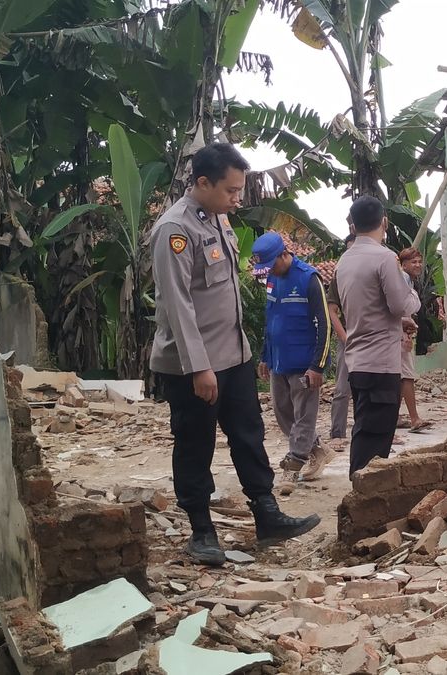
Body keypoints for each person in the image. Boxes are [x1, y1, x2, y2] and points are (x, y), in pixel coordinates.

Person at [148, 142, 319, 566]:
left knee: (248, 434)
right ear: (203, 183)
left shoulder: (218, 219)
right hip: (194, 364)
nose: (237, 198)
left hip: (233, 356)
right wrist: (200, 368)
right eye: (231, 190)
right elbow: (178, 304)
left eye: (240, 189)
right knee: (195, 443)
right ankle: (202, 530)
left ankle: (267, 513)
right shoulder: (175, 230)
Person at [335, 196, 420, 475]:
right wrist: (413, 300)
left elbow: (370, 307)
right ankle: (361, 497)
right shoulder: (384, 258)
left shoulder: (345, 260)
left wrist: (400, 321)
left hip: (358, 360)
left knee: (364, 429)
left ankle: (360, 491)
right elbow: (399, 304)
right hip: (380, 363)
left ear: (352, 225)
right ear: (384, 222)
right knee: (374, 441)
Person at [252, 232, 336, 493]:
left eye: (271, 265)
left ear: (283, 254)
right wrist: (265, 356)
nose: (269, 271)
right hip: (279, 360)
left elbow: (325, 324)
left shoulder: (309, 279)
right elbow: (271, 321)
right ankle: (317, 449)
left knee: (304, 416)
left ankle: (293, 465)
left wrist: (318, 365)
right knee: (283, 413)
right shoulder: (272, 280)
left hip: (304, 363)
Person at [397, 247, 431, 433]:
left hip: (403, 332)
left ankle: (394, 416)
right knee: (407, 376)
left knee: (402, 377)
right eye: (413, 262)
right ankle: (414, 418)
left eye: (419, 261)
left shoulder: (408, 281)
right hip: (399, 334)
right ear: (403, 264)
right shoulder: (402, 280)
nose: (418, 265)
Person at [326, 232, 356, 443]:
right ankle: (337, 433)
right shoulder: (339, 276)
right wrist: (345, 337)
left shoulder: (379, 269)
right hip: (349, 339)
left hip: (373, 339)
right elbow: (331, 310)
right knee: (342, 388)